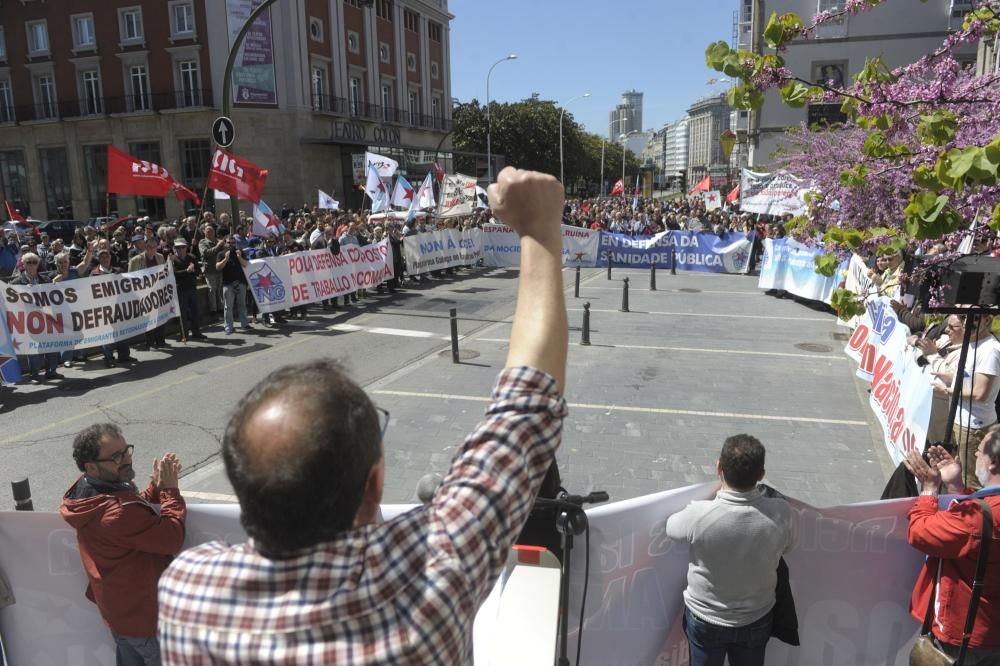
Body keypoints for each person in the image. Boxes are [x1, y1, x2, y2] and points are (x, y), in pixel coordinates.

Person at [157, 167, 569, 663]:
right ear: (374, 485)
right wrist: (542, 232)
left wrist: (538, 232)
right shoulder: (433, 577)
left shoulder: (186, 590)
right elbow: (523, 414)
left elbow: (527, 412)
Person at [60, 424, 186, 666]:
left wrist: (155, 490)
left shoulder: (90, 492)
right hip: (147, 621)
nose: (127, 459)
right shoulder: (116, 512)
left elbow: (133, 515)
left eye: (126, 450)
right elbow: (170, 538)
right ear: (91, 467)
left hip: (122, 615)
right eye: (116, 456)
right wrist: (170, 491)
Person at [666, 434, 795, 666]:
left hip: (706, 619)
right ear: (761, 474)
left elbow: (671, 528)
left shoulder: (698, 515)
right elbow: (789, 546)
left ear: (719, 467)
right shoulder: (781, 513)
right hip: (756, 618)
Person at [902, 434, 1000, 661]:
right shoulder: (979, 516)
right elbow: (978, 532)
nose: (975, 453)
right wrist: (956, 487)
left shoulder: (976, 517)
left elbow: (920, 532)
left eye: (981, 449)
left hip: (964, 637)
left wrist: (929, 489)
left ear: (993, 461)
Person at [932, 313, 1000, 490]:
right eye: (963, 317)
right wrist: (951, 378)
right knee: (957, 472)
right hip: (961, 423)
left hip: (973, 427)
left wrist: (948, 390)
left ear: (987, 320)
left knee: (970, 480)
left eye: (975, 318)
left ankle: (974, 515)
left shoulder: (990, 350)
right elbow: (970, 377)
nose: (967, 322)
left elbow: (980, 393)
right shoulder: (972, 342)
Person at [10, 252, 62, 380]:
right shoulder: (16, 282)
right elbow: (10, 301)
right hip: (29, 321)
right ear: (23, 264)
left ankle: (51, 371)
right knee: (34, 350)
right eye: (29, 262)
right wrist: (22, 291)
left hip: (46, 319)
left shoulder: (46, 280)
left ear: (38, 264)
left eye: (34, 262)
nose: (32, 265)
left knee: (51, 346)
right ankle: (34, 375)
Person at [129, 237, 168, 348]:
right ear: (145, 248)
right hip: (144, 294)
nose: (152, 249)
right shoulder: (135, 260)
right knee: (148, 319)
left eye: (154, 247)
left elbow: (164, 273)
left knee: (161, 317)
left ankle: (161, 340)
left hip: (158, 292)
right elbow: (131, 277)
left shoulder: (160, 257)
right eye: (149, 247)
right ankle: (150, 342)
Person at [170, 239, 205, 340]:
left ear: (186, 247)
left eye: (182, 247)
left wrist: (193, 270)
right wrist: (187, 271)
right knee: (182, 314)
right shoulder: (172, 259)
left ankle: (196, 332)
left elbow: (198, 272)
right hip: (180, 290)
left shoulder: (192, 257)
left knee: (195, 312)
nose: (180, 249)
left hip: (192, 288)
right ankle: (184, 334)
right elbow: (174, 274)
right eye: (177, 248)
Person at [216, 236, 251, 335]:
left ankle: (244, 324)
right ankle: (228, 327)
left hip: (241, 282)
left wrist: (239, 257)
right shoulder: (221, 254)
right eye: (229, 243)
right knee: (228, 307)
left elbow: (245, 264)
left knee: (242, 305)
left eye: (233, 243)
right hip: (228, 284)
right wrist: (226, 259)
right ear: (225, 243)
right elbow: (218, 267)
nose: (232, 245)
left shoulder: (240, 252)